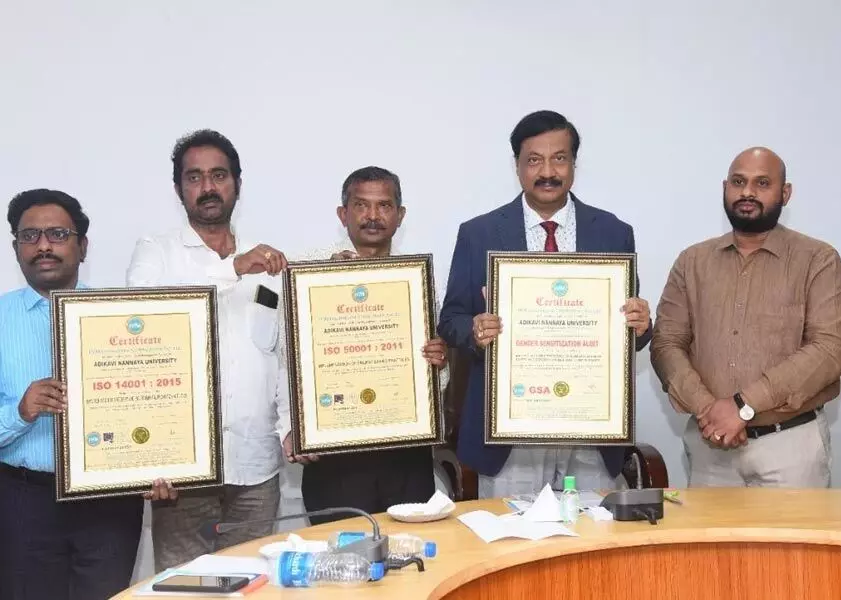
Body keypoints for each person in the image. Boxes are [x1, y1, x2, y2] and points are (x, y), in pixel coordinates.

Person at [438, 110, 652, 498]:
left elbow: (629, 337)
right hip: (508, 435)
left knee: (590, 547)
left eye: (560, 158)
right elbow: (450, 319)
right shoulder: (478, 233)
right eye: (534, 160)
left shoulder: (613, 233)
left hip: (591, 431)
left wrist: (640, 326)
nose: (547, 171)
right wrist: (474, 329)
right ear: (518, 166)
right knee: (514, 548)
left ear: (573, 164)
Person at [126, 130, 289, 571]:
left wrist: (294, 426)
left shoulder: (269, 259)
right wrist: (232, 268)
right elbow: (148, 313)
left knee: (254, 585)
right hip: (183, 469)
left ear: (237, 182)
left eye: (219, 175)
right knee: (186, 590)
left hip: (256, 465)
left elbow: (283, 357)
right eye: (194, 177)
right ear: (179, 189)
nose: (208, 187)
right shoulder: (156, 251)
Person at [650, 147, 841, 488]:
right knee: (709, 543)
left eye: (762, 183)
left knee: (791, 544)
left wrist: (742, 407)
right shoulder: (692, 262)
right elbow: (666, 341)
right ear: (724, 188)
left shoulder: (818, 260)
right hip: (709, 446)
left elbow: (830, 349)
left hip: (790, 448)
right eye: (738, 182)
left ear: (785, 194)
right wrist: (709, 410)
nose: (747, 192)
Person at [280, 166, 450, 523]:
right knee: (339, 563)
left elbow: (433, 370)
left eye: (384, 206)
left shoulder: (417, 280)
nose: (373, 216)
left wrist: (439, 362)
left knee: (411, 557)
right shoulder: (309, 272)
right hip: (334, 456)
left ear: (400, 216)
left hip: (405, 454)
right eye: (361, 205)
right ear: (343, 214)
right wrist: (291, 426)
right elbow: (285, 360)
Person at [0, 189, 148, 600]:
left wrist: (162, 463)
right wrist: (20, 411)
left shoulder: (124, 318)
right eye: (29, 236)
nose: (43, 245)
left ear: (82, 246)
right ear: (15, 249)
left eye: (57, 233)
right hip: (22, 501)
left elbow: (152, 405)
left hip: (108, 503)